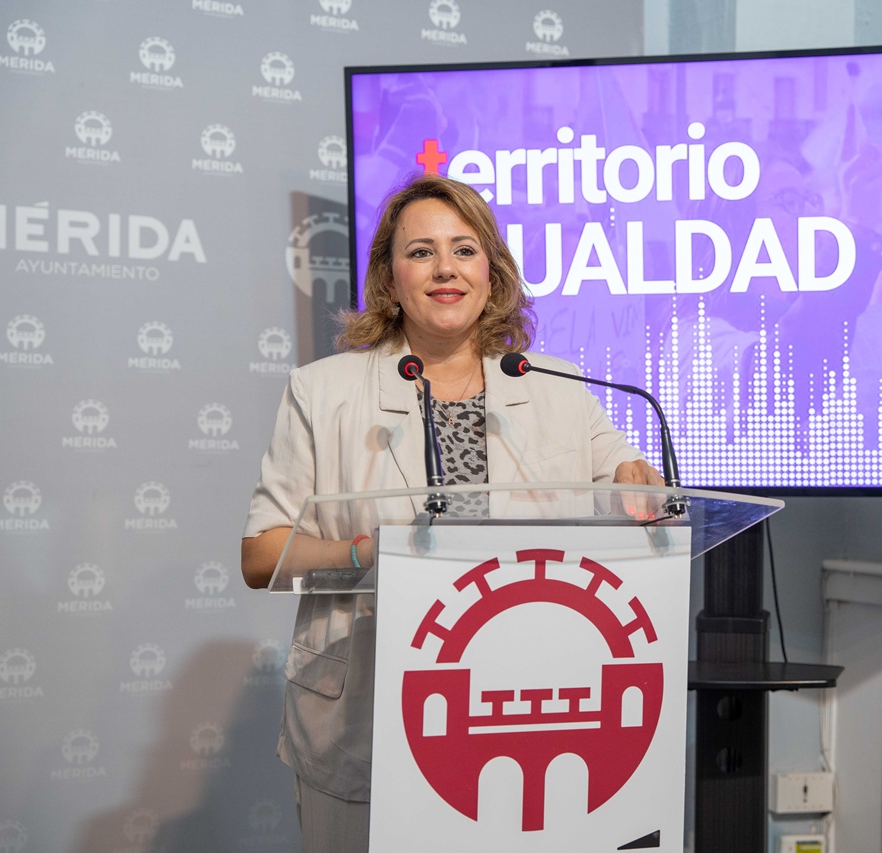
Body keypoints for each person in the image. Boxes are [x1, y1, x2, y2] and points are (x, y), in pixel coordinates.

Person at [240, 173, 663, 852]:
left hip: (524, 705)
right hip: (368, 709)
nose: (446, 269)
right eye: (421, 252)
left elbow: (626, 477)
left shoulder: (554, 386)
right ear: (389, 279)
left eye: (465, 250)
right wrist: (366, 552)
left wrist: (636, 481)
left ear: (491, 274)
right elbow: (262, 554)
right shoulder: (322, 392)